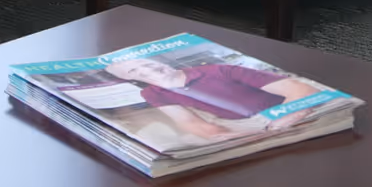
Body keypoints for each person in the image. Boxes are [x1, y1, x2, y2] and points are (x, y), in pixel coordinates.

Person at [103, 56, 320, 141]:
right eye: (133, 71)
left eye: (145, 63)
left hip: (282, 107)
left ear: (162, 62)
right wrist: (226, 137)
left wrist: (280, 120)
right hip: (244, 123)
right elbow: (191, 124)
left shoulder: (219, 70)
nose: (145, 70)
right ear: (129, 79)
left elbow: (302, 90)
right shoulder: (151, 92)